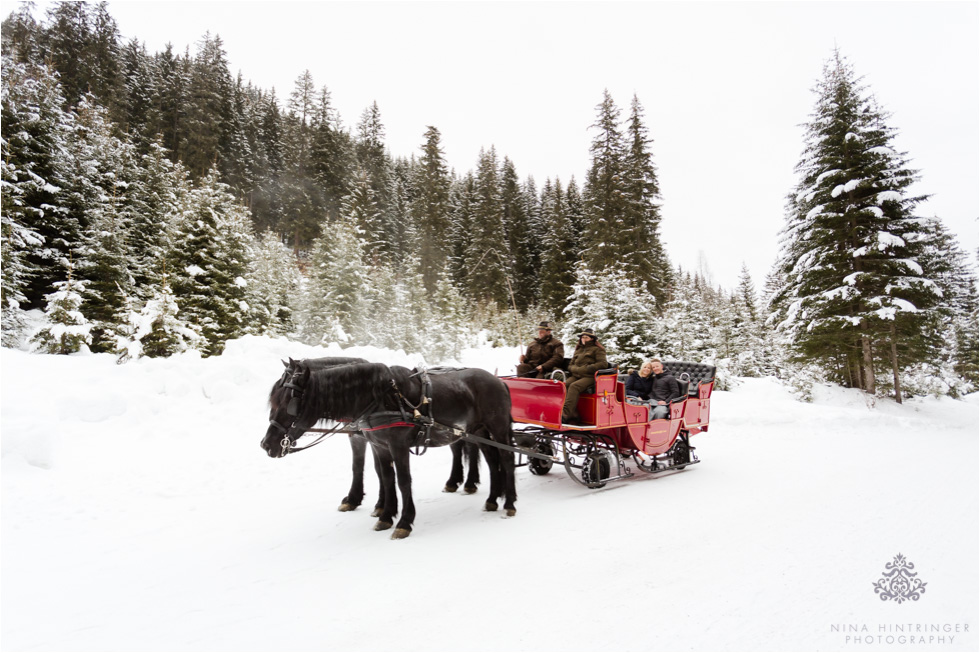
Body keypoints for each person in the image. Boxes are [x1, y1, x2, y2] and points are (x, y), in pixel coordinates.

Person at [561, 328, 609, 424]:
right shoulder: (579, 349)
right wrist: (575, 369)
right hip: (577, 375)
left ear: (592, 339)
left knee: (575, 386)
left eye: (586, 337)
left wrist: (587, 368)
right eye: (582, 337)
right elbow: (570, 364)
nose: (583, 339)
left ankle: (565, 413)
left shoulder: (598, 350)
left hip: (590, 376)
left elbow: (603, 364)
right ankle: (573, 412)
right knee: (565, 385)